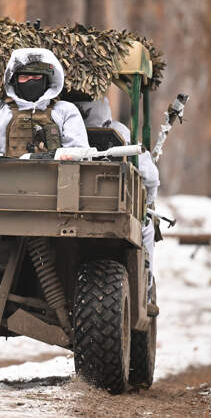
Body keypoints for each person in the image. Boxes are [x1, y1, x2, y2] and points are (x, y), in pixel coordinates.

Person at [77, 97, 160, 308]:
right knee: (147, 228)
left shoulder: (56, 117)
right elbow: (150, 176)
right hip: (110, 207)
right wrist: (148, 204)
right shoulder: (118, 131)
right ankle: (146, 288)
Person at [0, 48, 89, 158]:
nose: (30, 81)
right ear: (14, 80)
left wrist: (68, 157)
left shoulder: (65, 111)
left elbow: (79, 150)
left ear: (46, 80)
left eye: (36, 78)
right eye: (24, 77)